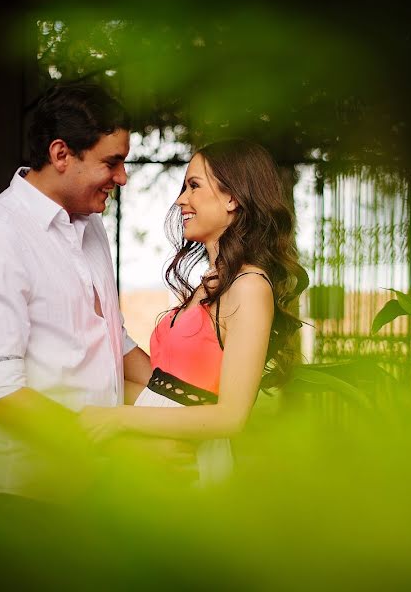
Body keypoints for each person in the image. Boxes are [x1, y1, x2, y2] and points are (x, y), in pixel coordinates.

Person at [0, 82, 190, 502]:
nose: (123, 178)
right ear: (61, 155)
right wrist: (124, 447)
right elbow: (0, 393)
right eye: (111, 163)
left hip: (88, 490)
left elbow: (114, 342)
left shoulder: (89, 225)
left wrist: (192, 409)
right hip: (20, 497)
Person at [80, 139, 308, 483]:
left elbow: (231, 416)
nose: (181, 199)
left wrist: (119, 419)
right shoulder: (211, 282)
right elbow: (164, 385)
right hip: (152, 456)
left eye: (194, 186)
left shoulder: (249, 286)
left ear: (232, 197)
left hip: (188, 462)